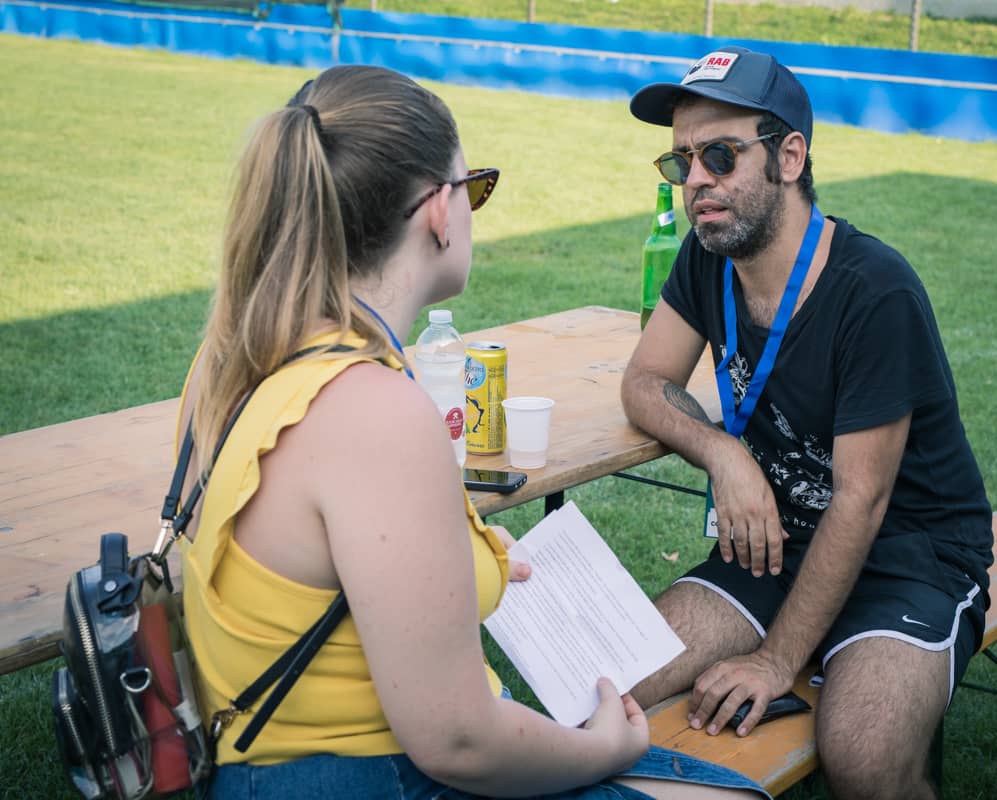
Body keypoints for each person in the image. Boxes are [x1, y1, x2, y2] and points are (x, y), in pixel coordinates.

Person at [174, 65, 769, 800]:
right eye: (474, 187)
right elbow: (457, 741)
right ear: (438, 212)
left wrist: (458, 551)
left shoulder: (230, 360)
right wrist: (601, 749)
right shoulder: (375, 409)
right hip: (366, 779)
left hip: (256, 765)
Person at [621, 47, 995, 800]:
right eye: (681, 161)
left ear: (789, 157)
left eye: (720, 156)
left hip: (907, 557)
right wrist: (723, 453)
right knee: (612, 681)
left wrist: (774, 661)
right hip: (775, 546)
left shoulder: (875, 291)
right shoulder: (708, 255)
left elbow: (861, 501)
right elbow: (645, 381)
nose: (696, 182)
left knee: (863, 759)